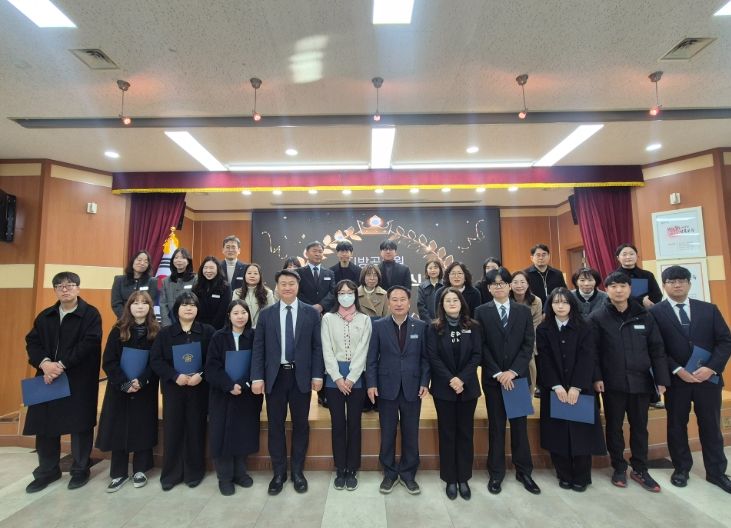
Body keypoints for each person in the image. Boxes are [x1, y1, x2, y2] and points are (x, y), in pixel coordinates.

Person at [650, 265, 731, 493]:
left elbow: (725, 341)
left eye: (682, 281)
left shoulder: (709, 309)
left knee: (711, 426)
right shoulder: (655, 312)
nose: (677, 285)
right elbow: (655, 347)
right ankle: (681, 469)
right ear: (664, 285)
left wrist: (711, 368)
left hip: (708, 380)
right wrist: (677, 370)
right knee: (676, 425)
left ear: (689, 283)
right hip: (677, 381)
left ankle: (716, 472)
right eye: (672, 281)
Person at [589, 271, 670, 492]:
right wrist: (597, 377)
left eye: (623, 286)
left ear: (630, 289)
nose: (618, 290)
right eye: (613, 286)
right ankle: (618, 466)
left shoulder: (645, 315)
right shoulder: (597, 317)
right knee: (614, 426)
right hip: (612, 382)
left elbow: (657, 348)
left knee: (640, 427)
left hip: (642, 380)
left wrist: (661, 379)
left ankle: (640, 468)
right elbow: (592, 352)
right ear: (606, 290)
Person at [24, 272, 102, 494]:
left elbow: (90, 343)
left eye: (69, 285)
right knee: (45, 426)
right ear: (55, 290)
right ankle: (47, 470)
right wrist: (45, 364)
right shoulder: (45, 316)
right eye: (60, 286)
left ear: (78, 288)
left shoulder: (90, 314)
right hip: (47, 377)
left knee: (79, 426)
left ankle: (80, 469)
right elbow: (32, 342)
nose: (65, 289)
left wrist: (61, 365)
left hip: (78, 378)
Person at [250, 269, 324, 495]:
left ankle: (298, 472)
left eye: (291, 283)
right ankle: (279, 473)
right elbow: (259, 348)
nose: (287, 287)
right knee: (276, 426)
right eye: (283, 283)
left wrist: (317, 375)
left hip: (301, 377)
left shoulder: (311, 313)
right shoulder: (267, 314)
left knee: (301, 425)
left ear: (298, 286)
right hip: (275, 377)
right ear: (277, 287)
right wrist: (257, 376)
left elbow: (317, 347)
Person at [474, 267, 540, 495]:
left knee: (520, 427)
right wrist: (497, 372)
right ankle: (496, 473)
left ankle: (524, 472)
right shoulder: (481, 311)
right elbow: (480, 345)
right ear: (489, 288)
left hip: (518, 379)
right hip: (493, 380)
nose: (499, 287)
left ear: (510, 286)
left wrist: (512, 371)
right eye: (494, 284)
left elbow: (528, 344)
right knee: (496, 427)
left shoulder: (523, 311)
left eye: (503, 283)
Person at [536, 288, 606, 492]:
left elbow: (588, 357)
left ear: (571, 305)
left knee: (581, 434)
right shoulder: (544, 328)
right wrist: (556, 386)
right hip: (554, 388)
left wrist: (576, 387)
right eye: (556, 302)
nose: (560, 306)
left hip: (580, 388)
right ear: (550, 305)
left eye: (564, 302)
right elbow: (544, 360)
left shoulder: (584, 326)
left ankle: (582, 476)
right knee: (557, 433)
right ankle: (564, 474)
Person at [366, 285, 430, 495]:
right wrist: (371, 384)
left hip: (413, 387)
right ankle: (390, 473)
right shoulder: (379, 326)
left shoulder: (420, 326)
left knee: (411, 432)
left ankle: (409, 473)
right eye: (394, 299)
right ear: (388, 302)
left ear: (409, 302)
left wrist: (424, 382)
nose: (399, 303)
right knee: (388, 432)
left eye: (403, 299)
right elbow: (371, 358)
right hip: (386, 387)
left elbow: (425, 359)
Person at [150, 292, 215, 491]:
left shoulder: (207, 331)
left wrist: (201, 374)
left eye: (193, 305)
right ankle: (171, 473)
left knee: (196, 429)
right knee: (173, 430)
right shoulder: (165, 333)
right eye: (185, 305)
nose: (189, 308)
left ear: (198, 309)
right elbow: (156, 360)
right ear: (176, 309)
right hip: (173, 389)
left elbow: (214, 359)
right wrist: (174, 375)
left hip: (198, 388)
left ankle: (194, 472)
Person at [95, 291, 160, 492]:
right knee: (119, 428)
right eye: (135, 303)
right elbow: (109, 361)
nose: (140, 306)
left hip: (144, 388)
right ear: (129, 306)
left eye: (144, 303)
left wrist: (142, 380)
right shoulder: (118, 330)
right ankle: (118, 473)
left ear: (150, 307)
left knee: (142, 427)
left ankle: (141, 469)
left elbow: (156, 361)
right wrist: (124, 383)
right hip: (120, 389)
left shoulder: (156, 331)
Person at [427, 287, 482, 500]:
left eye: (455, 300)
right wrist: (451, 379)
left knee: (466, 433)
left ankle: (463, 478)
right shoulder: (434, 328)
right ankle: (450, 478)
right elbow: (433, 357)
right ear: (442, 305)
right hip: (444, 389)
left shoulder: (473, 326)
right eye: (447, 300)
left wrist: (462, 379)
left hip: (468, 388)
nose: (452, 303)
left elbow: (477, 355)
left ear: (461, 303)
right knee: (447, 433)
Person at [204, 300, 264, 496]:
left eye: (243, 312)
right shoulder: (218, 337)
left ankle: (240, 473)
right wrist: (229, 385)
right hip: (223, 394)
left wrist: (244, 383)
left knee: (243, 433)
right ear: (229, 316)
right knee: (222, 434)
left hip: (247, 394)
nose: (240, 316)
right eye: (236, 313)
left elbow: (258, 362)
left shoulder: (254, 336)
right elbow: (211, 367)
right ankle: (225, 477)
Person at [321, 280, 372, 491]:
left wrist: (351, 378)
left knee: (354, 423)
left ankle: (352, 468)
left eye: (350, 292)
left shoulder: (365, 319)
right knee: (338, 424)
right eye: (341, 293)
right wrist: (337, 377)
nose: (346, 296)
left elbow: (363, 350)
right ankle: (340, 467)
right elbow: (326, 349)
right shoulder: (328, 318)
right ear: (336, 296)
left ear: (355, 295)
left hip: (356, 377)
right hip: (333, 379)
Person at [510, 270, 543, 393]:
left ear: (528, 284)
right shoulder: (506, 300)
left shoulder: (536, 301)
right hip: (509, 342)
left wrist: (528, 345)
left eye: (522, 282)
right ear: (510, 285)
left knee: (530, 365)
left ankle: (529, 395)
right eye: (515, 282)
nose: (519, 285)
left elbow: (535, 325)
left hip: (529, 341)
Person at [111, 250, 158, 319]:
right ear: (133, 261)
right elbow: (116, 304)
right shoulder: (119, 280)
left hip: (145, 320)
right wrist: (127, 318)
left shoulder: (152, 281)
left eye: (146, 261)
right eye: (139, 260)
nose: (142, 263)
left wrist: (140, 319)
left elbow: (151, 303)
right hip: (123, 320)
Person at [159, 247, 197, 327]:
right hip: (170, 323)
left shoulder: (195, 279)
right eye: (176, 258)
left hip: (190, 322)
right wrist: (167, 325)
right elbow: (163, 304)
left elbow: (196, 303)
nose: (179, 260)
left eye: (183, 258)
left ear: (188, 261)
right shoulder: (166, 281)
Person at [296, 241, 336, 314]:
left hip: (325, 312)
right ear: (307, 254)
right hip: (305, 311)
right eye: (314, 251)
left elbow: (333, 292)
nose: (317, 254)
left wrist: (321, 305)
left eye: (320, 252)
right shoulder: (298, 272)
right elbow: (297, 292)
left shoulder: (329, 273)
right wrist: (311, 307)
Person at [193, 256, 231, 330]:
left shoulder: (225, 287)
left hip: (218, 329)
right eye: (205, 268)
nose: (208, 271)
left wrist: (211, 329)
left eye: (211, 268)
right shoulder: (197, 287)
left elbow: (223, 312)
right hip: (199, 328)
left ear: (218, 269)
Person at [232, 262, 275, 328]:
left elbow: (271, 314)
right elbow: (234, 313)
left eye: (255, 273)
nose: (252, 276)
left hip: (262, 329)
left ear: (260, 276)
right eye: (249, 273)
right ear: (244, 275)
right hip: (242, 329)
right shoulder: (237, 293)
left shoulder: (268, 293)